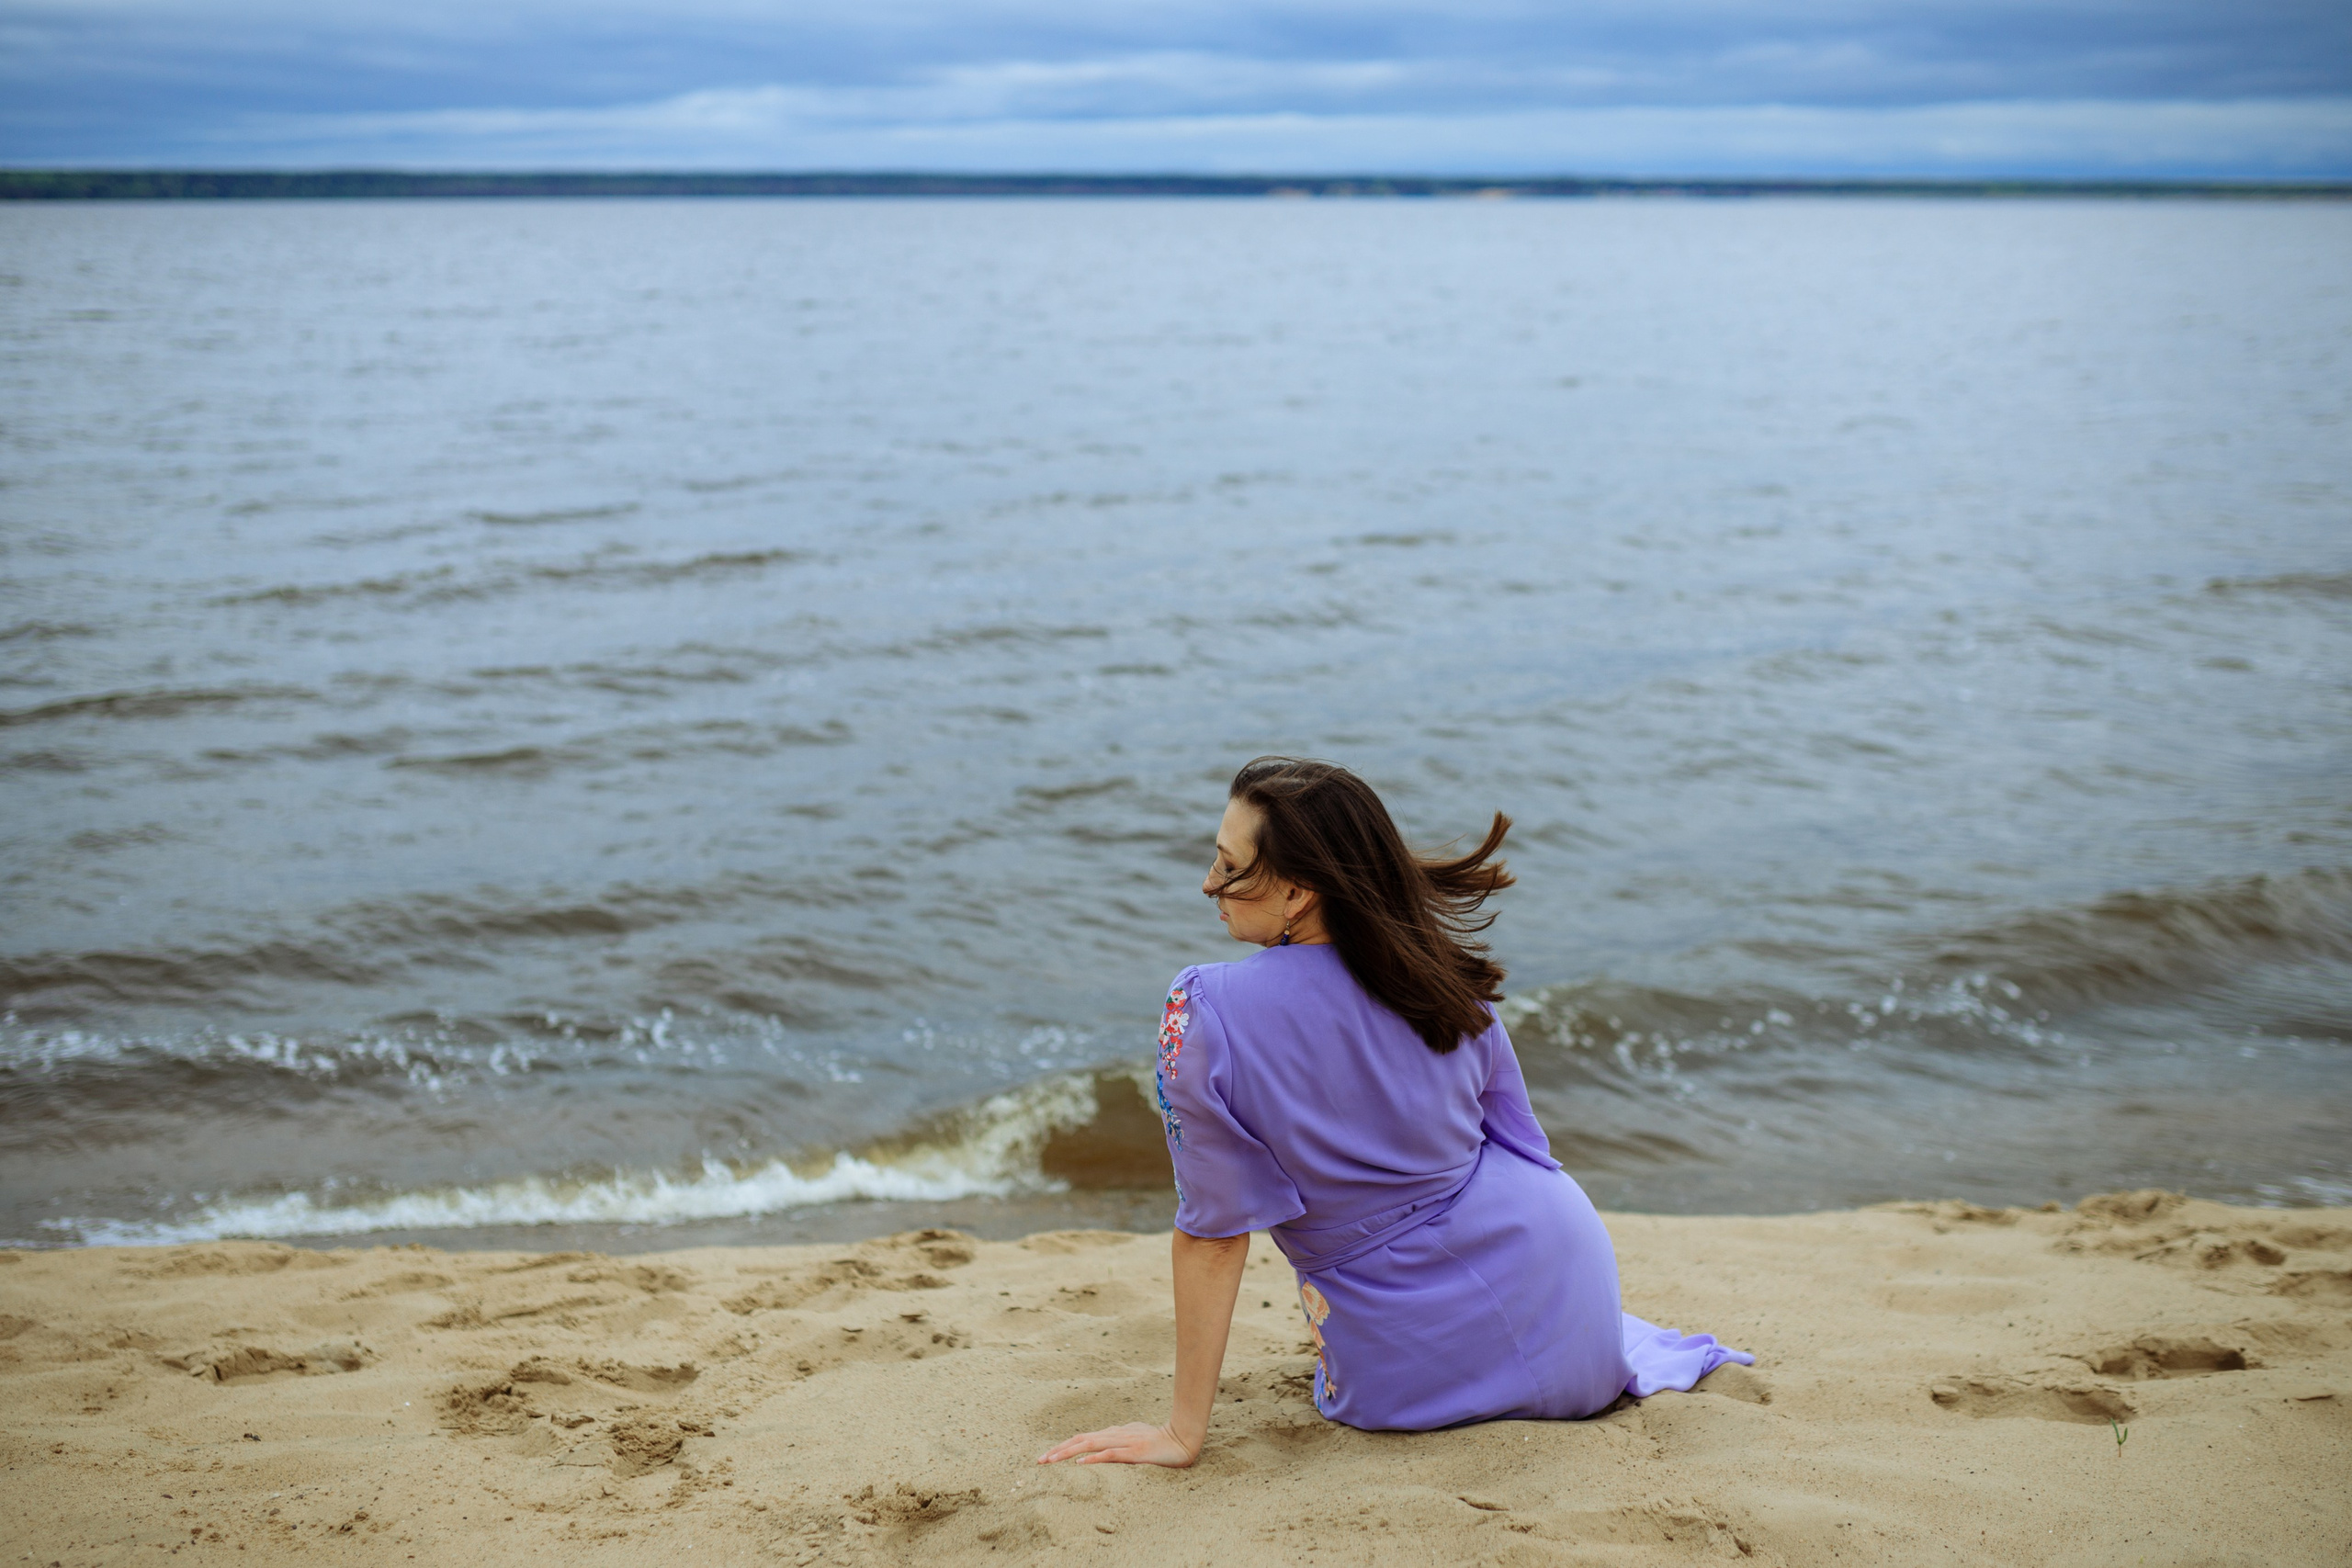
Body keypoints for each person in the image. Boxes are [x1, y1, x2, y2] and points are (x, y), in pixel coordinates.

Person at [1039, 756, 1750, 1468]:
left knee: (1366, 1386)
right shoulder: (1439, 978)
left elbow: (1214, 1235)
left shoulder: (1202, 1011)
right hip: (1573, 1305)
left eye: (1229, 867)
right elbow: (1521, 1143)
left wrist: (1181, 1432)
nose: (1207, 883)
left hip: (1408, 1357)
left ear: (1297, 892)